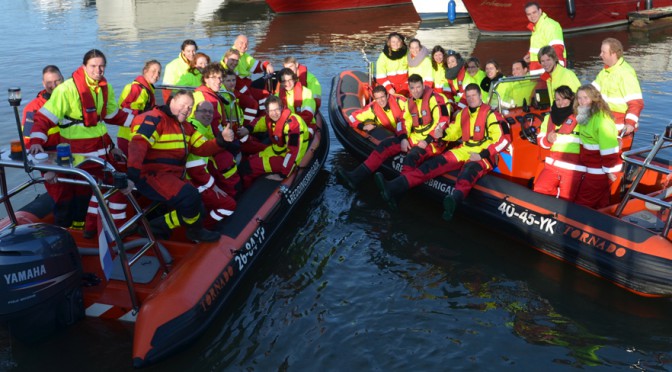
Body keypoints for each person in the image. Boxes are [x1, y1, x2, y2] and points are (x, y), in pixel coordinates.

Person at [29, 49, 133, 234]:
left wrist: (139, 122)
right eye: (93, 66)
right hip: (80, 155)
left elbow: (109, 116)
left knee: (105, 187)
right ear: (84, 66)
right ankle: (110, 230)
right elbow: (44, 119)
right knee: (108, 187)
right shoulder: (66, 90)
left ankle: (93, 229)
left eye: (102, 66)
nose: (98, 70)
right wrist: (37, 141)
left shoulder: (103, 88)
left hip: (100, 153)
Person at [375, 83, 511, 221]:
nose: (471, 99)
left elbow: (504, 139)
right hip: (465, 150)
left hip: (484, 154)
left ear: (481, 96)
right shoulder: (463, 114)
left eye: (474, 95)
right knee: (433, 165)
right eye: (468, 96)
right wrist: (442, 133)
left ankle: (453, 202)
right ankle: (392, 186)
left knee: (469, 171)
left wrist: (482, 155)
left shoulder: (491, 115)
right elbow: (453, 132)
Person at [127, 90, 235, 242]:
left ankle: (157, 226)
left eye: (190, 107)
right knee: (190, 197)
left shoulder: (185, 126)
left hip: (172, 176)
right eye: (183, 105)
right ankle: (190, 231)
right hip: (152, 175)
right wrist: (131, 175)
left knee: (199, 208)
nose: (186, 109)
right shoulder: (154, 119)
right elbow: (138, 145)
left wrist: (221, 140)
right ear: (171, 101)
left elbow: (203, 148)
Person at [337, 76, 449, 189]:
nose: (416, 91)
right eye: (413, 88)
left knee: (411, 157)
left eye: (418, 87)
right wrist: (403, 138)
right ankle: (355, 177)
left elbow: (443, 121)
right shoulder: (410, 102)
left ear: (423, 86)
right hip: (415, 137)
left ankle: (395, 189)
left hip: (434, 141)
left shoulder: (434, 99)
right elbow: (404, 121)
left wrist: (427, 140)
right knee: (384, 146)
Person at [183, 101, 237, 229]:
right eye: (204, 111)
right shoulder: (197, 132)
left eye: (211, 112)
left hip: (193, 178)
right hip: (193, 182)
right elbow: (194, 168)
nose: (208, 114)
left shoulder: (198, 126)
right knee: (229, 205)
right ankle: (203, 228)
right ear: (195, 113)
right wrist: (213, 186)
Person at [192, 63, 243, 198]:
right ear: (206, 79)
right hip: (209, 145)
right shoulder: (203, 98)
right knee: (228, 167)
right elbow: (204, 126)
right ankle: (232, 197)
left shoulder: (211, 95)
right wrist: (223, 142)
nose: (218, 81)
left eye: (220, 78)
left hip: (217, 140)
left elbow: (217, 123)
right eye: (214, 77)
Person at [238, 95, 310, 188]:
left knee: (248, 168)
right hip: (279, 151)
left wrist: (283, 174)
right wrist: (248, 129)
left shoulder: (293, 125)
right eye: (271, 111)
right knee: (248, 162)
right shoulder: (270, 119)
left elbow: (293, 152)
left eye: (276, 109)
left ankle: (247, 194)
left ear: (282, 108)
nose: (274, 113)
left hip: (288, 159)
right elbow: (260, 122)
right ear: (267, 112)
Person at [573, 84, 621, 209]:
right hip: (595, 167)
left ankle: (575, 226)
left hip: (601, 169)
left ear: (594, 99)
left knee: (583, 202)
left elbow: (609, 151)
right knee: (601, 201)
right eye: (579, 98)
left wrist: (608, 171)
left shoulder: (601, 120)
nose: (582, 102)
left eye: (585, 98)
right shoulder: (585, 117)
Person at [591, 37, 644, 152]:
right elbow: (591, 92)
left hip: (620, 128)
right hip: (604, 124)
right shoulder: (605, 71)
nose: (600, 54)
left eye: (603, 52)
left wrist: (630, 124)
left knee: (616, 161)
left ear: (613, 54)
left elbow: (636, 103)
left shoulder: (625, 74)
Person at [534, 85, 583, 200]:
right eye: (558, 100)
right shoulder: (548, 118)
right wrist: (547, 140)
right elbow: (541, 141)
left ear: (571, 99)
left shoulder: (582, 117)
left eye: (564, 99)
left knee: (566, 198)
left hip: (573, 166)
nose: (561, 103)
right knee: (540, 189)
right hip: (552, 165)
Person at [117, 60, 161, 155]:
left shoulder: (147, 89)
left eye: (159, 72)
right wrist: (152, 114)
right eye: (153, 71)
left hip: (134, 137)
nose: (156, 75)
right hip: (129, 138)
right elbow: (126, 112)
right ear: (145, 71)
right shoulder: (137, 89)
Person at [22, 65, 64, 144]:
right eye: (49, 82)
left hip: (73, 149)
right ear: (43, 84)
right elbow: (27, 139)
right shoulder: (32, 108)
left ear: (63, 79)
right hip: (47, 151)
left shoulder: (73, 100)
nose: (54, 86)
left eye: (57, 81)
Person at [523, 2, 566, 75]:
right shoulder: (537, 27)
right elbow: (539, 47)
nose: (532, 16)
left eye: (534, 12)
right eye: (529, 14)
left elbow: (557, 49)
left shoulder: (550, 26)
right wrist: (529, 55)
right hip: (540, 73)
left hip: (547, 73)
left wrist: (557, 72)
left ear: (540, 11)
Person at [221, 48, 261, 125]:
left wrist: (248, 94)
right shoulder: (221, 70)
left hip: (232, 93)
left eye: (236, 60)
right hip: (226, 95)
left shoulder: (230, 69)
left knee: (258, 97)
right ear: (225, 59)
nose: (235, 63)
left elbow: (239, 84)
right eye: (232, 60)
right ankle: (247, 126)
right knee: (253, 104)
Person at [277, 67, 317, 135]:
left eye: (290, 80)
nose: (288, 83)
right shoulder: (277, 96)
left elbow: (308, 115)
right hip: (285, 127)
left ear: (294, 79)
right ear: (281, 83)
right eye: (284, 81)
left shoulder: (306, 93)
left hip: (306, 125)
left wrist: (291, 125)